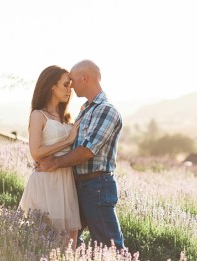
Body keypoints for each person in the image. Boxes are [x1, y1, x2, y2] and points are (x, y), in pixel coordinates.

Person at [36, 60, 125, 250]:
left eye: (73, 81)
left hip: (96, 186)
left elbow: (87, 150)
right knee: (68, 242)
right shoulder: (86, 109)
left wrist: (54, 163)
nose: (72, 86)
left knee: (110, 246)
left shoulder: (105, 110)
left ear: (84, 78)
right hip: (77, 184)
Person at [19, 65, 81, 248]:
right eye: (65, 85)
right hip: (45, 182)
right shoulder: (39, 115)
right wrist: (67, 141)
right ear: (51, 86)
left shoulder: (67, 117)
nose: (70, 90)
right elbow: (35, 151)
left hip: (66, 182)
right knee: (42, 241)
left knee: (69, 242)